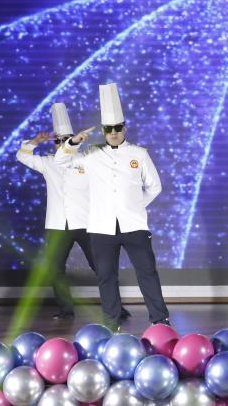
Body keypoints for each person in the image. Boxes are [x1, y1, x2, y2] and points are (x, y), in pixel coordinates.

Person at [56, 83, 169, 330]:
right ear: (104, 131)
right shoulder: (91, 154)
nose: (114, 132)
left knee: (147, 272)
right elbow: (61, 160)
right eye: (109, 129)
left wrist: (136, 206)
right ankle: (111, 322)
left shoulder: (139, 154)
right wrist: (74, 141)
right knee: (106, 276)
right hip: (101, 227)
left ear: (124, 128)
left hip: (134, 225)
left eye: (118, 128)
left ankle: (160, 319)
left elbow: (155, 186)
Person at [17, 103, 129, 320]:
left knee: (101, 266)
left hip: (86, 222)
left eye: (66, 139)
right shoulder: (47, 162)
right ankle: (66, 309)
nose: (61, 144)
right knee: (55, 269)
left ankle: (117, 307)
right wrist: (35, 142)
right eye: (57, 140)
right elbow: (22, 156)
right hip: (57, 224)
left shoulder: (86, 159)